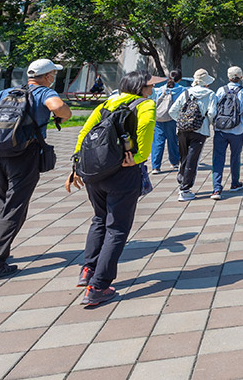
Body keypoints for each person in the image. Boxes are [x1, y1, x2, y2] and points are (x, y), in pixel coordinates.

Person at [0, 58, 73, 283]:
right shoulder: (44, 93)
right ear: (47, 76)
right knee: (15, 207)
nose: (54, 77)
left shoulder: (9, 92)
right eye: (54, 74)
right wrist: (63, 116)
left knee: (2, 203)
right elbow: (59, 108)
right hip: (25, 154)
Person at [66, 70, 157, 308]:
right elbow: (147, 127)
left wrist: (77, 164)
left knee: (99, 219)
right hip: (123, 172)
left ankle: (88, 269)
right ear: (140, 87)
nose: (152, 88)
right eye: (149, 85)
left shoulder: (107, 103)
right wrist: (139, 157)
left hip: (95, 172)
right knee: (117, 228)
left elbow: (85, 132)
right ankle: (98, 287)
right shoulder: (145, 105)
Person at [170, 68, 216, 201]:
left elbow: (172, 111)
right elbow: (212, 113)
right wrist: (207, 122)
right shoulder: (210, 94)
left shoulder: (186, 92)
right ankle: (185, 189)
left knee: (184, 157)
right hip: (200, 131)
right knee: (193, 159)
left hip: (182, 130)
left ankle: (181, 181)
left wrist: (182, 121)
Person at [210, 66, 243, 200]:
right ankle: (234, 183)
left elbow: (214, 109)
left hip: (221, 129)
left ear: (228, 77)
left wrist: (214, 124)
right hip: (237, 129)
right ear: (240, 78)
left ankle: (216, 188)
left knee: (218, 158)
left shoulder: (220, 90)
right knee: (235, 156)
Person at [150, 70, 185, 173]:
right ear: (180, 79)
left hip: (159, 118)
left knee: (158, 142)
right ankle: (174, 162)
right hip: (172, 118)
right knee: (173, 141)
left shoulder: (161, 89)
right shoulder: (182, 90)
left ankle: (155, 166)